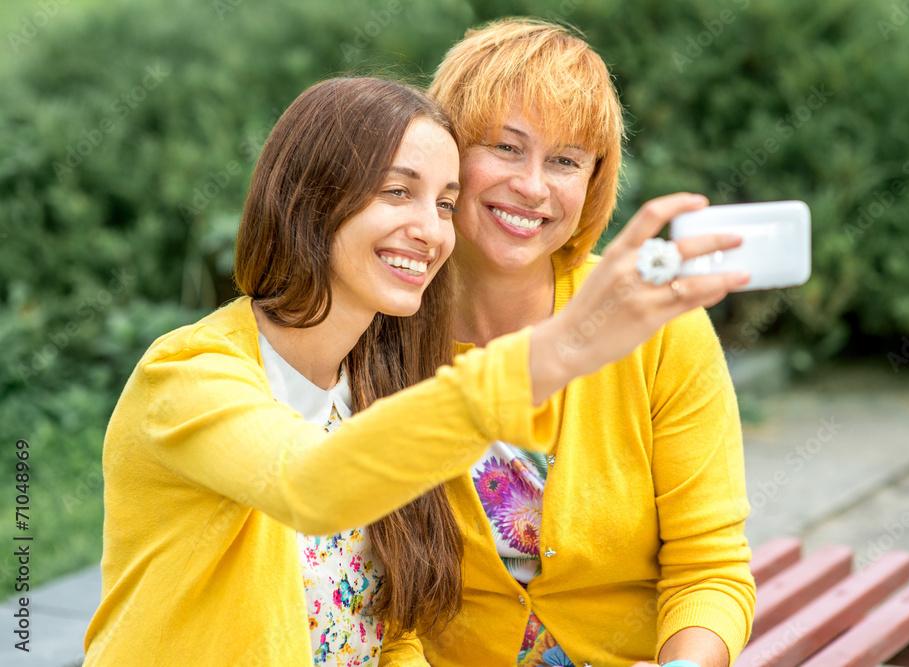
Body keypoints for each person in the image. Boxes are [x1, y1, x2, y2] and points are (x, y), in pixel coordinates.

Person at [83, 71, 744, 665]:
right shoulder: (187, 376)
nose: (431, 230)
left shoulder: (366, 383)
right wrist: (554, 353)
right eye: (398, 191)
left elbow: (386, 629)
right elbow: (308, 485)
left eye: (444, 203)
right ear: (309, 199)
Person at [414, 18, 757, 667]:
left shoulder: (661, 322)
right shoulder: (385, 327)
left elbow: (708, 565)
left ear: (593, 180)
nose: (534, 186)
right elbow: (378, 598)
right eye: (506, 148)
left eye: (565, 160)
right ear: (445, 152)